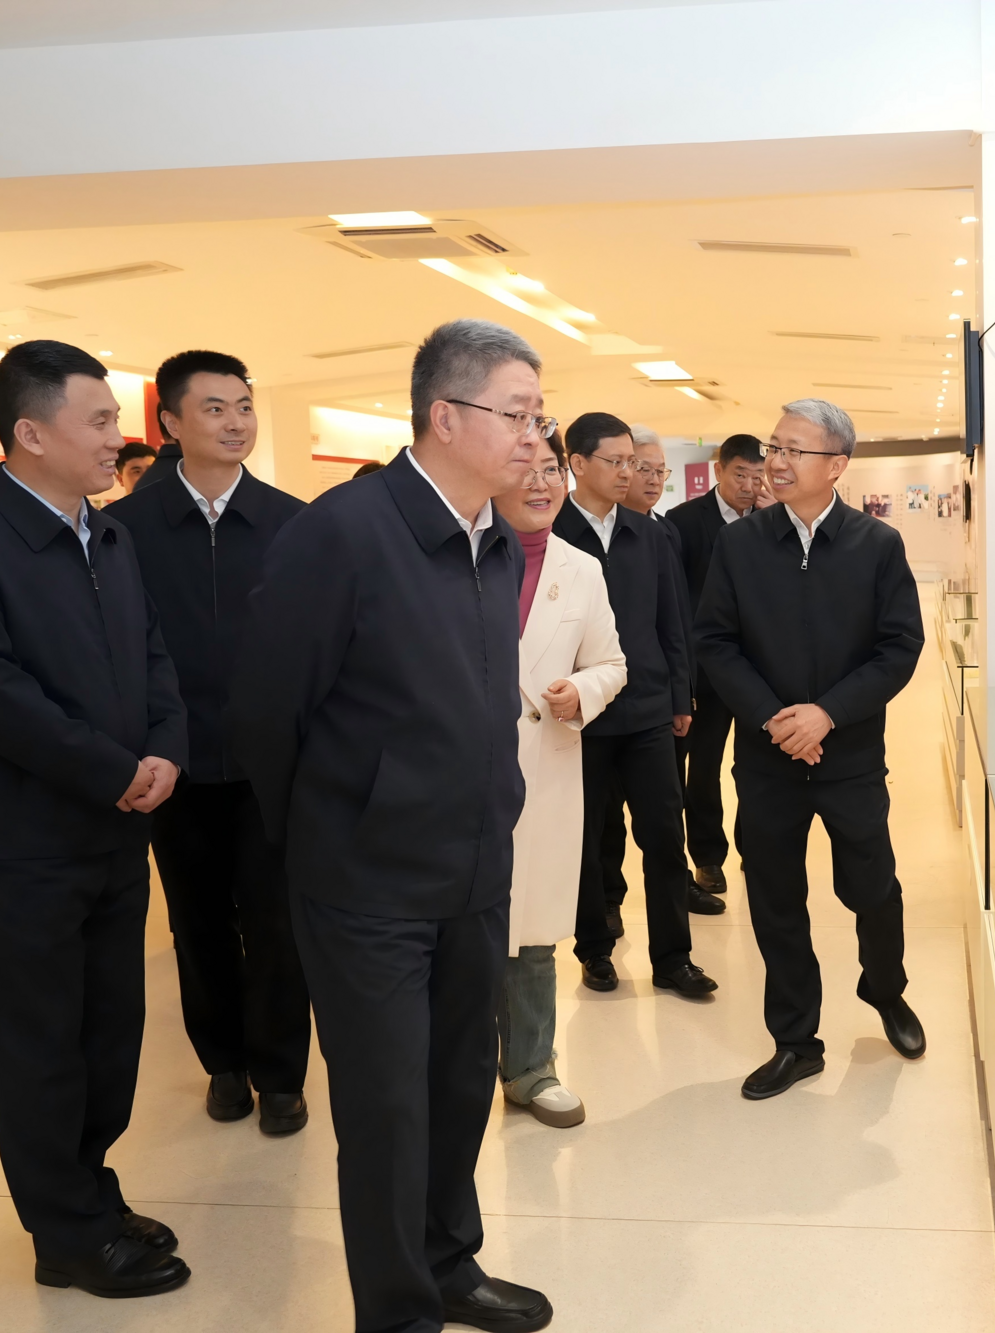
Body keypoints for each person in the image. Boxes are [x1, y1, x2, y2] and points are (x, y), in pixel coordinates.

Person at [227, 318, 553, 1333]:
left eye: (539, 417)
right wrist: (336, 826)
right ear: (445, 417)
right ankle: (398, 1310)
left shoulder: (492, 534)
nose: (535, 438)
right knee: (385, 1107)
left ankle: (448, 1263)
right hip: (365, 882)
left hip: (472, 867)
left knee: (458, 1084)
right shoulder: (342, 533)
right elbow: (266, 709)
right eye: (518, 416)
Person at [0, 340, 189, 1296]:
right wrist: (115, 768)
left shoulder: (107, 534)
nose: (120, 436)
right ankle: (65, 1232)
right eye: (100, 420)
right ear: (31, 434)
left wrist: (166, 747)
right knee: (37, 1040)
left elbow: (153, 654)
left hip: (115, 828)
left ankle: (89, 1193)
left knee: (109, 1031)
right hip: (20, 841)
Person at [694, 399, 927, 1101]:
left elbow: (899, 647)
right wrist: (775, 719)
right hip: (767, 759)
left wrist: (827, 714)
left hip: (849, 756)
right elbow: (716, 643)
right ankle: (796, 1041)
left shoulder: (877, 545)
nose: (778, 461)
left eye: (796, 450)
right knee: (774, 898)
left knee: (873, 887)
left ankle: (885, 988)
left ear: (837, 465)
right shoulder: (739, 545)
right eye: (775, 446)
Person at [106, 350, 312, 1135]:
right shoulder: (126, 529)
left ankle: (282, 1073)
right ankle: (223, 1063)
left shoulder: (294, 522)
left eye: (244, 407)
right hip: (174, 764)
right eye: (215, 408)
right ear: (170, 422)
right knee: (196, 924)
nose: (236, 423)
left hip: (272, 767)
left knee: (278, 922)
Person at [552, 412, 715, 999]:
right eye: (616, 462)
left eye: (634, 463)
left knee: (664, 837)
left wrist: (680, 694)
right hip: (580, 717)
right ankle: (594, 949)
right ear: (577, 464)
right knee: (588, 839)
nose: (628, 472)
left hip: (646, 711)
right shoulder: (550, 534)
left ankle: (673, 958)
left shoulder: (650, 535)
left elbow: (673, 620)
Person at [495, 430, 626, 1128]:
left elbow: (612, 663)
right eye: (524, 468)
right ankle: (450, 1068)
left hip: (543, 763)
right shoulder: (452, 555)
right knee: (460, 924)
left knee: (534, 923)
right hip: (458, 771)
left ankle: (531, 1068)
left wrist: (581, 690)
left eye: (551, 470)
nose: (541, 483)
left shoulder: (581, 569)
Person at [607, 425, 723, 918]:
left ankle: (678, 892)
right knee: (605, 815)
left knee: (664, 809)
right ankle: (608, 902)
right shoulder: (582, 534)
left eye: (660, 471)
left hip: (657, 700)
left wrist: (681, 695)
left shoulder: (663, 531)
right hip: (598, 699)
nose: (653, 479)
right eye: (642, 468)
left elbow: (675, 622)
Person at [667, 433, 769, 900]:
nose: (749, 486)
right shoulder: (684, 522)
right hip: (705, 672)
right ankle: (707, 857)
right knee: (703, 768)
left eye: (757, 476)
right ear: (718, 471)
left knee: (756, 765)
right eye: (740, 475)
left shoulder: (773, 523)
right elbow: (674, 603)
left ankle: (755, 847)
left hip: (759, 673)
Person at [93, 442, 157, 506]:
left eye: (150, 469)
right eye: (137, 472)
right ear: (121, 479)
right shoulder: (113, 511)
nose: (146, 476)